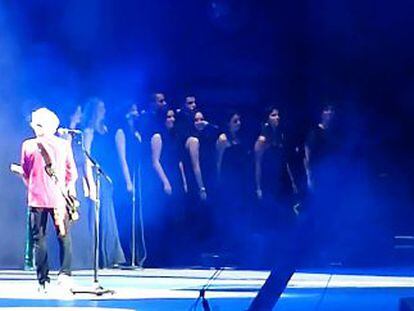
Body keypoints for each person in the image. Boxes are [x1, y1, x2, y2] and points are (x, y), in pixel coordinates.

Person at [20, 107, 77, 292]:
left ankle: (43, 280)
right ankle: (65, 274)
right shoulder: (64, 145)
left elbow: (26, 172)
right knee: (64, 236)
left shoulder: (28, 145)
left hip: (36, 198)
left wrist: (31, 184)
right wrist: (66, 188)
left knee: (39, 239)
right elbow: (72, 173)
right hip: (59, 197)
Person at [82, 97, 126, 268]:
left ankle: (110, 255)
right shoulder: (89, 131)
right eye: (101, 108)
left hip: (106, 175)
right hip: (95, 176)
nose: (104, 111)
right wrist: (90, 181)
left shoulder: (105, 129)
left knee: (108, 215)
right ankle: (100, 257)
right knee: (99, 215)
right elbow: (87, 155)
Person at [149, 108, 187, 266]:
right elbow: (155, 161)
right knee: (166, 218)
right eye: (168, 117)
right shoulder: (158, 136)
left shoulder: (174, 136)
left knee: (178, 217)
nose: (172, 119)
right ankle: (162, 257)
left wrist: (184, 180)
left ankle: (176, 255)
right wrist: (165, 181)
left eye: (173, 117)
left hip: (176, 177)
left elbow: (179, 160)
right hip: (165, 177)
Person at [114, 103, 144, 265]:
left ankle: (136, 255)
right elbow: (122, 158)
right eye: (132, 109)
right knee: (125, 217)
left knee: (135, 218)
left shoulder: (136, 133)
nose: (136, 112)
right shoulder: (121, 132)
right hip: (125, 178)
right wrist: (128, 182)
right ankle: (126, 255)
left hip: (136, 175)